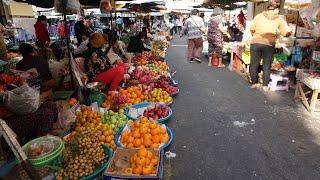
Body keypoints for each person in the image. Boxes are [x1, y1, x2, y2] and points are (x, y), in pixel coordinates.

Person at [249, 0, 292, 91]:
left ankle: (254, 84)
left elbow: (252, 28)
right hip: (269, 44)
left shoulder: (259, 16)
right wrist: (290, 31)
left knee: (254, 64)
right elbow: (285, 33)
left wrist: (256, 36)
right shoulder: (279, 19)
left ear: (267, 8)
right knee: (266, 65)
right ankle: (265, 86)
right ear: (276, 10)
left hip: (256, 42)